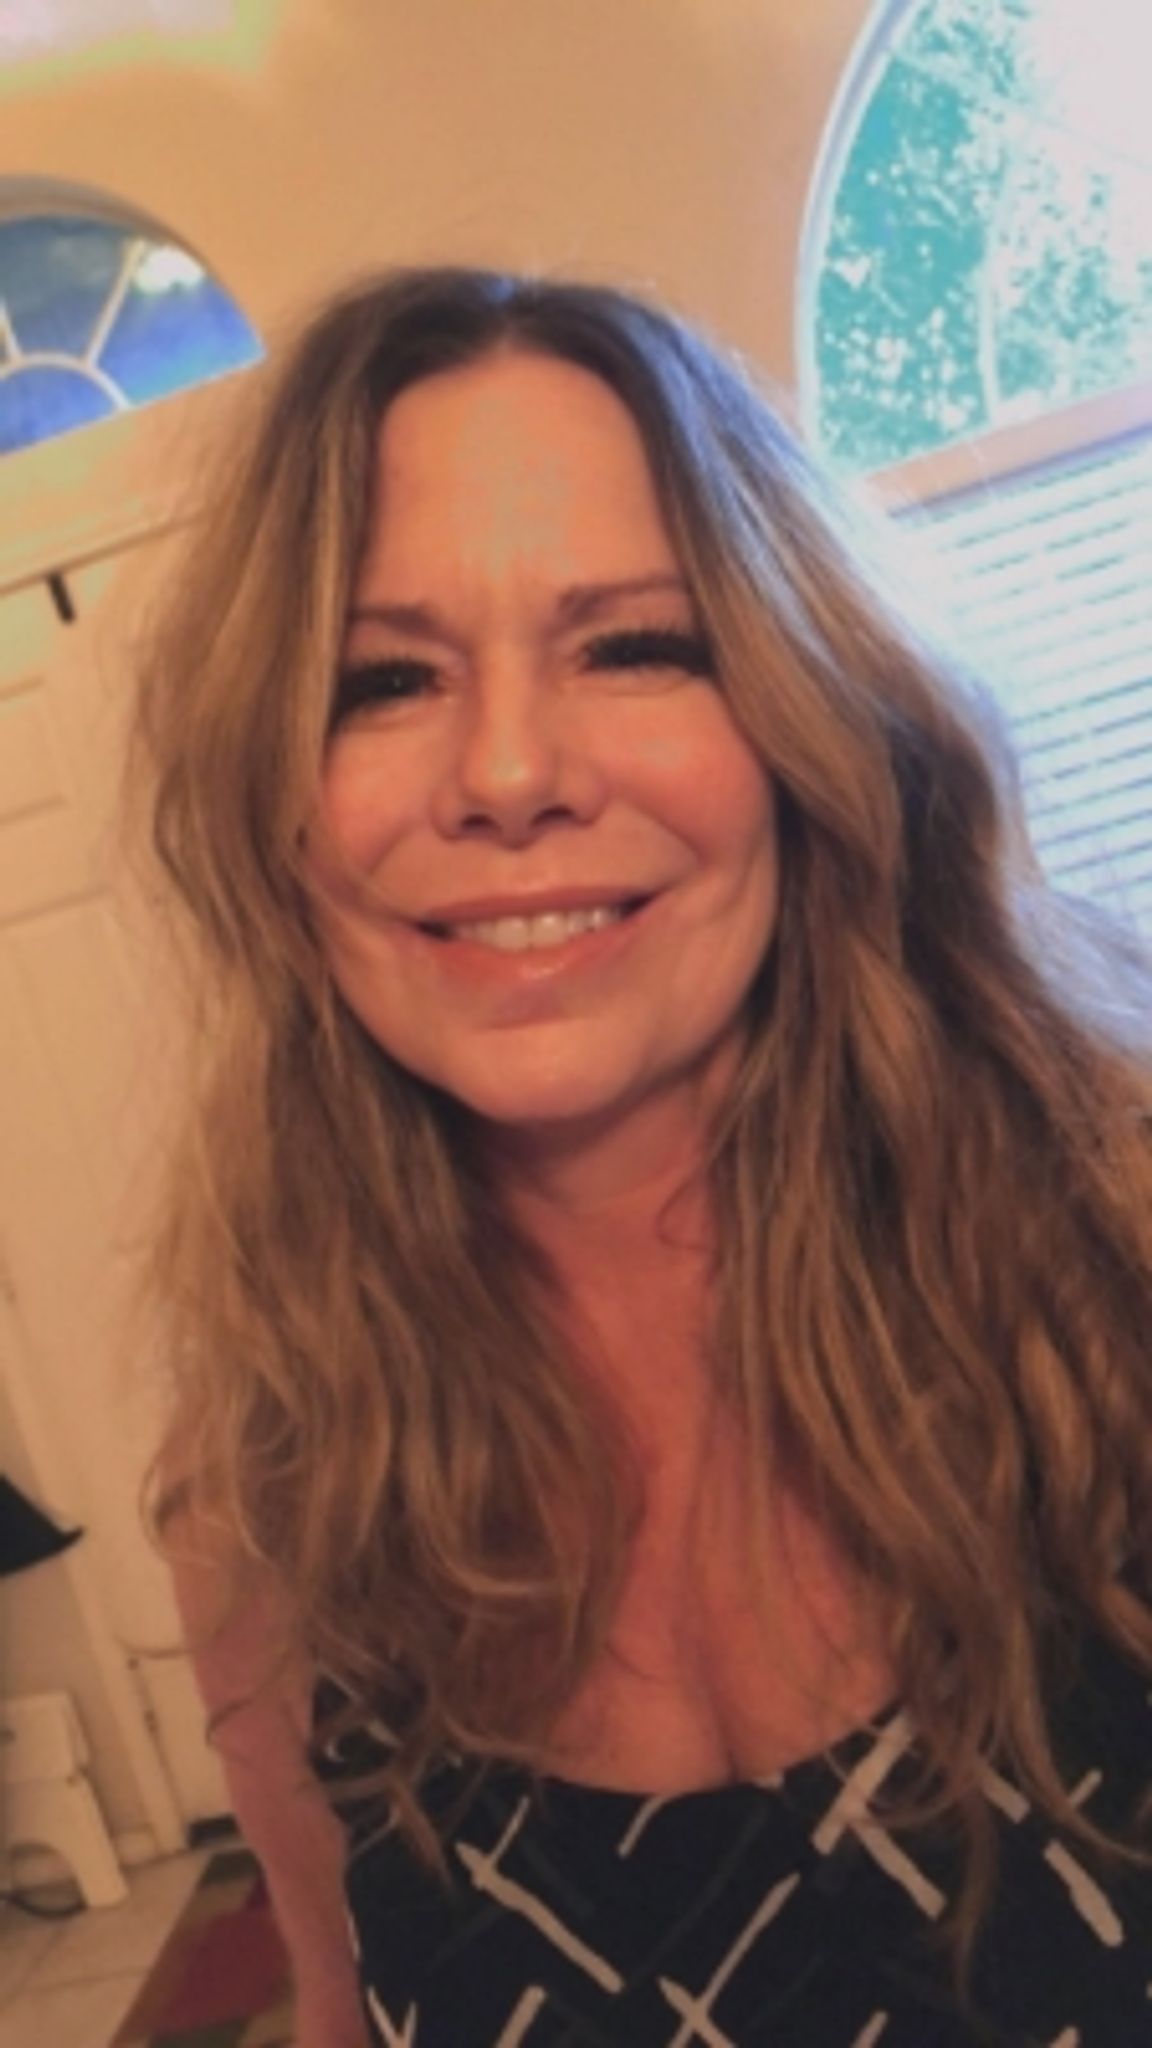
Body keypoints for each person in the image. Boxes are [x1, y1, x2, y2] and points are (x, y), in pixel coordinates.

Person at [134, 268, 1152, 2048]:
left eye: (634, 646)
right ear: (272, 808)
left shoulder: (1118, 1254)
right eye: (384, 677)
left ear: (811, 712)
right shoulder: (272, 1514)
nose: (509, 770)